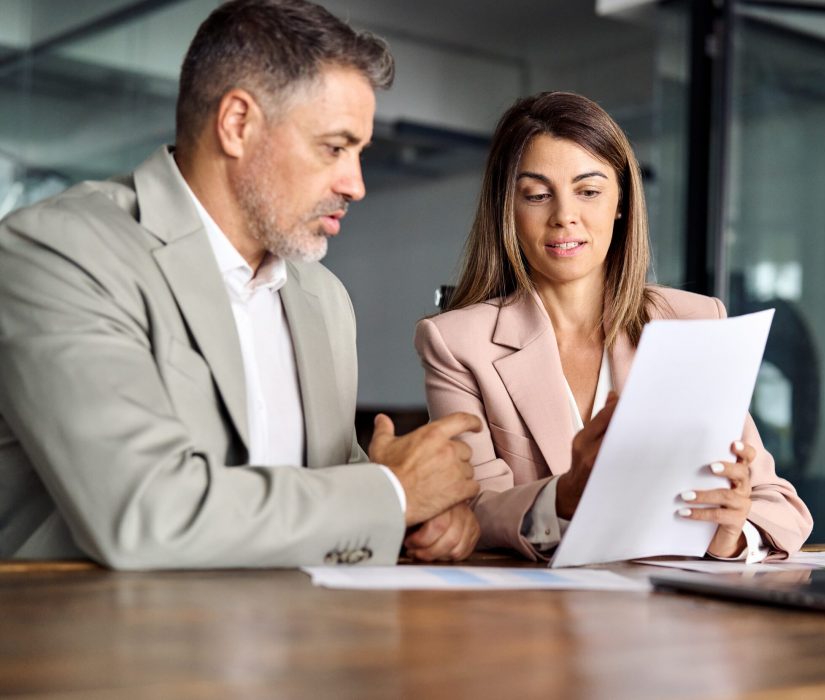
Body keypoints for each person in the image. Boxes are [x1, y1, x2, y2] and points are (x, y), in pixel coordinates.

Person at [0, 0, 483, 569]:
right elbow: (145, 512)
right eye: (334, 147)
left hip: (301, 637)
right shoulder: (58, 251)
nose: (355, 184)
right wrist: (393, 495)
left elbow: (329, 492)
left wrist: (419, 517)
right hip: (101, 646)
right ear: (237, 124)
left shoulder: (324, 299)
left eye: (360, 153)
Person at [415, 91, 813, 561]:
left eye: (588, 191)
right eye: (538, 195)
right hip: (533, 619)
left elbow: (781, 507)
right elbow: (470, 508)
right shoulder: (458, 343)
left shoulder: (693, 322)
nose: (565, 216)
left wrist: (731, 531)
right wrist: (559, 497)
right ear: (508, 210)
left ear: (621, 202)